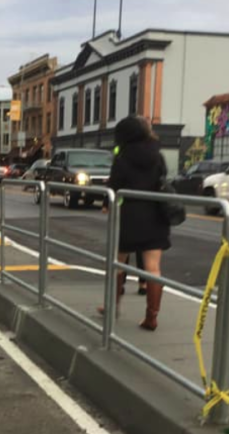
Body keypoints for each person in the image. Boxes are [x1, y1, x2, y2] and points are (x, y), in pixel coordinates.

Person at [102, 116, 170, 331]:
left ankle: (112, 306)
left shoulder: (122, 156)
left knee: (118, 263)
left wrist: (107, 204)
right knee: (153, 268)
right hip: (155, 213)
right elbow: (163, 178)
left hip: (129, 214)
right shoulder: (157, 155)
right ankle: (152, 317)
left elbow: (114, 184)